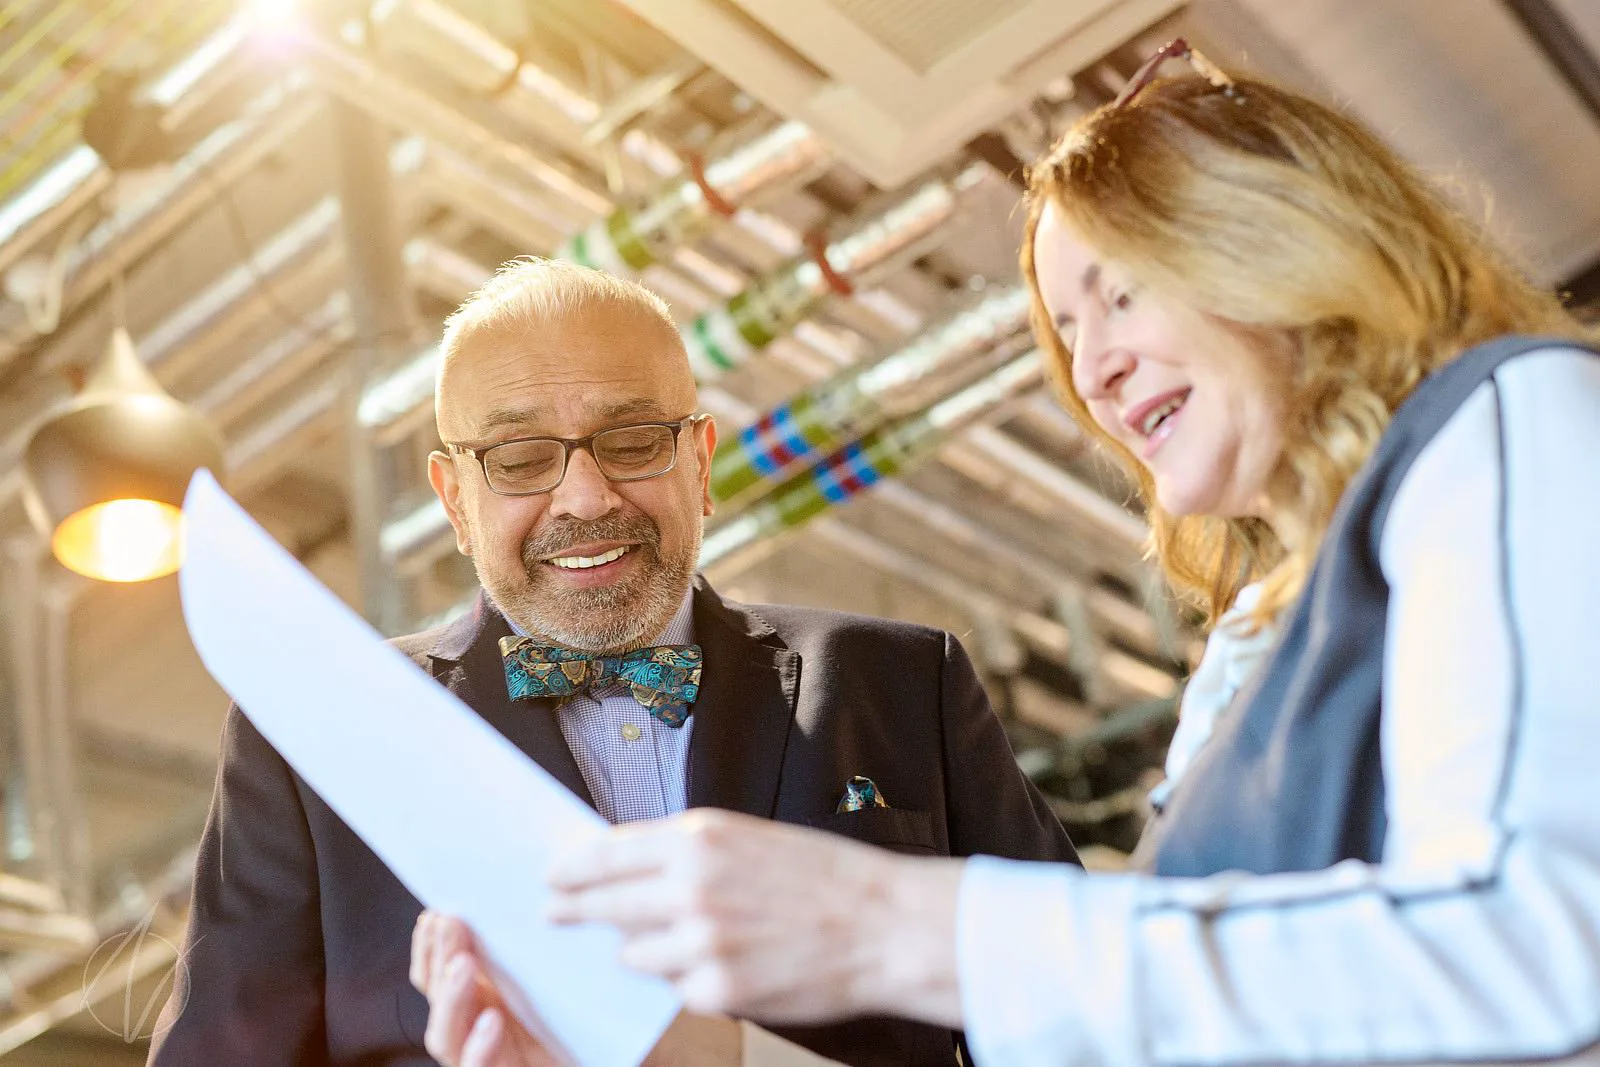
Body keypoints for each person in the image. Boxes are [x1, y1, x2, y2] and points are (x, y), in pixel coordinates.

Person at [412, 43, 1600, 1067]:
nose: (1094, 368)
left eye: (1119, 293)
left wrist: (907, 923)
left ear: (1271, 234)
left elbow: (1544, 940)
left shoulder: (1509, 418)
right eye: (1065, 330)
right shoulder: (1252, 633)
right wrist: (681, 1052)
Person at [146, 258, 1078, 1066]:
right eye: (518, 458)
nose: (585, 496)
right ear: (454, 499)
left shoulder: (903, 683)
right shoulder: (315, 735)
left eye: (632, 441)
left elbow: (1079, 1010)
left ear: (702, 464)